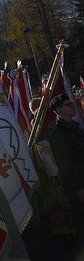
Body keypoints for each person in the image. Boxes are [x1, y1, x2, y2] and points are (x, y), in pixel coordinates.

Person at [47, 93, 84, 256]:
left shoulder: (74, 127)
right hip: (78, 186)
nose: (73, 106)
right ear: (60, 110)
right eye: (69, 105)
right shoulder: (58, 134)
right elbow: (66, 166)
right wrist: (79, 188)